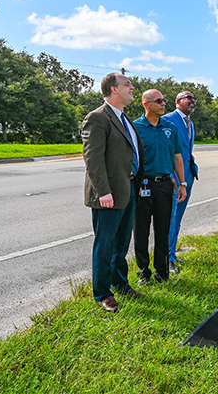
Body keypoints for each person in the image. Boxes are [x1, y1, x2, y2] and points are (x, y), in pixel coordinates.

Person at [82, 73, 145, 313]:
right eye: (127, 84)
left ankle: (120, 282)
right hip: (107, 193)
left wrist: (137, 183)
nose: (132, 87)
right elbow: (93, 159)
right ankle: (102, 293)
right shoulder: (97, 118)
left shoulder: (125, 118)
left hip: (127, 187)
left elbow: (132, 153)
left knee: (121, 242)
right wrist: (103, 192)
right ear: (113, 89)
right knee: (105, 243)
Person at [132, 89, 187, 285]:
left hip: (165, 184)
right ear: (146, 105)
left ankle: (162, 272)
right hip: (142, 186)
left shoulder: (170, 127)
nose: (164, 103)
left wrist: (182, 183)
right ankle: (143, 273)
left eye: (164, 100)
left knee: (163, 230)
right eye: (159, 101)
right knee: (141, 232)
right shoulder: (135, 127)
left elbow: (177, 157)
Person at [162, 91, 199, 274]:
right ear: (178, 101)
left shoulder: (190, 123)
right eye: (189, 98)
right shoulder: (168, 120)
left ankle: (172, 253)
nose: (193, 101)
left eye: (194, 99)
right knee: (170, 218)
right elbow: (166, 150)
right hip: (174, 179)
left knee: (177, 219)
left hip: (188, 177)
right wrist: (172, 177)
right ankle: (167, 259)